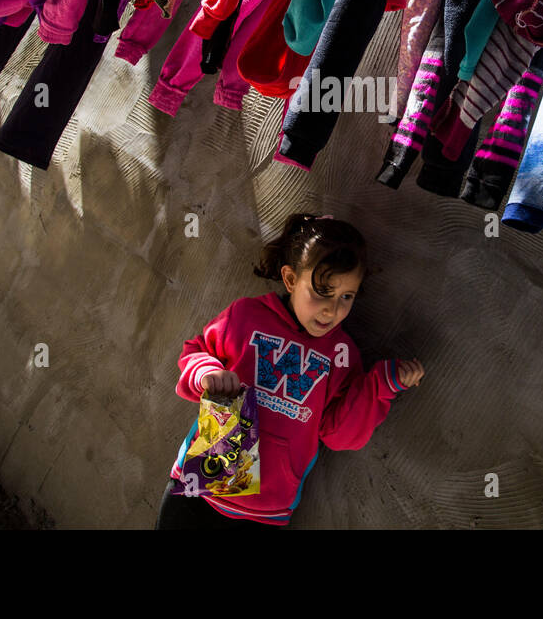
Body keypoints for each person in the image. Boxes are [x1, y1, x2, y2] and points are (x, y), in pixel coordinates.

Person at [155, 211, 425, 528]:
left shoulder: (342, 354)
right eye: (322, 292)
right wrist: (207, 374)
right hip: (199, 489)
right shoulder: (246, 316)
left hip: (265, 511)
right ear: (291, 279)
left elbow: (339, 435)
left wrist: (382, 385)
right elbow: (195, 351)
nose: (332, 309)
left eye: (346, 297)